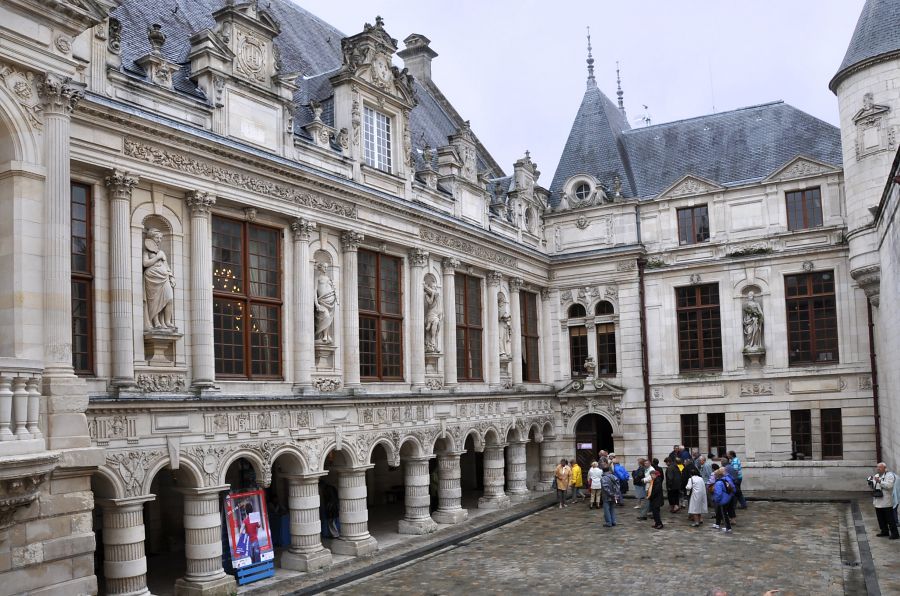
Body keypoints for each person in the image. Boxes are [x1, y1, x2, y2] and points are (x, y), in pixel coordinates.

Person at [869, 462, 898, 539]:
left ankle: (895, 533)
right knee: (880, 518)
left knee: (890, 519)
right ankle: (884, 531)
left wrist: (880, 481)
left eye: (880, 467)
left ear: (885, 468)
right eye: (877, 467)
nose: (878, 469)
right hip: (877, 500)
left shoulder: (890, 475)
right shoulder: (876, 475)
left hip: (886, 501)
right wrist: (870, 482)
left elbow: (889, 486)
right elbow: (874, 487)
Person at [711, 468, 733, 533]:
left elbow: (718, 493)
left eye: (714, 475)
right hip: (727, 498)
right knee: (719, 512)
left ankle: (728, 528)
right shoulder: (724, 480)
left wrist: (716, 500)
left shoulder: (718, 483)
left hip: (723, 500)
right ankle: (717, 524)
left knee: (724, 514)